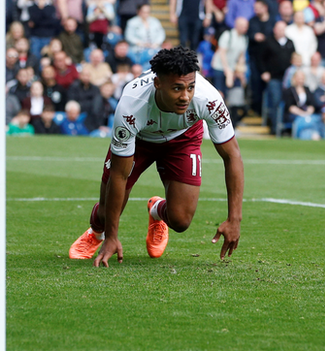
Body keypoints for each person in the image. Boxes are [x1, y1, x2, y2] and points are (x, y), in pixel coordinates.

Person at [68, 46, 243, 266]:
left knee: (180, 221)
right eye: (177, 88)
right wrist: (112, 236)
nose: (185, 96)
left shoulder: (209, 99)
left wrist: (234, 219)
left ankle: (156, 210)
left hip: (183, 139)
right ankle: (96, 232)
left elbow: (232, 156)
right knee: (107, 212)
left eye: (190, 87)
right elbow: (119, 176)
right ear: (158, 83)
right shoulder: (131, 106)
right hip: (140, 139)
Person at [259, 21, 296, 134]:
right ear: (274, 29)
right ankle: (275, 127)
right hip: (274, 78)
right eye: (278, 28)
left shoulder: (290, 43)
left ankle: (286, 127)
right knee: (275, 101)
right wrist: (264, 71)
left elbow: (293, 59)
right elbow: (260, 58)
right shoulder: (268, 42)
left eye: (282, 29)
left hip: (288, 79)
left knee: (289, 102)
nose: (280, 31)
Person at [125, 4, 166, 70]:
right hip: (137, 49)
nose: (146, 14)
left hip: (154, 48)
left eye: (148, 12)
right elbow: (129, 36)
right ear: (139, 11)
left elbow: (161, 34)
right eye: (144, 12)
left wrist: (156, 43)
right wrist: (141, 43)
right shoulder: (132, 22)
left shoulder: (155, 21)